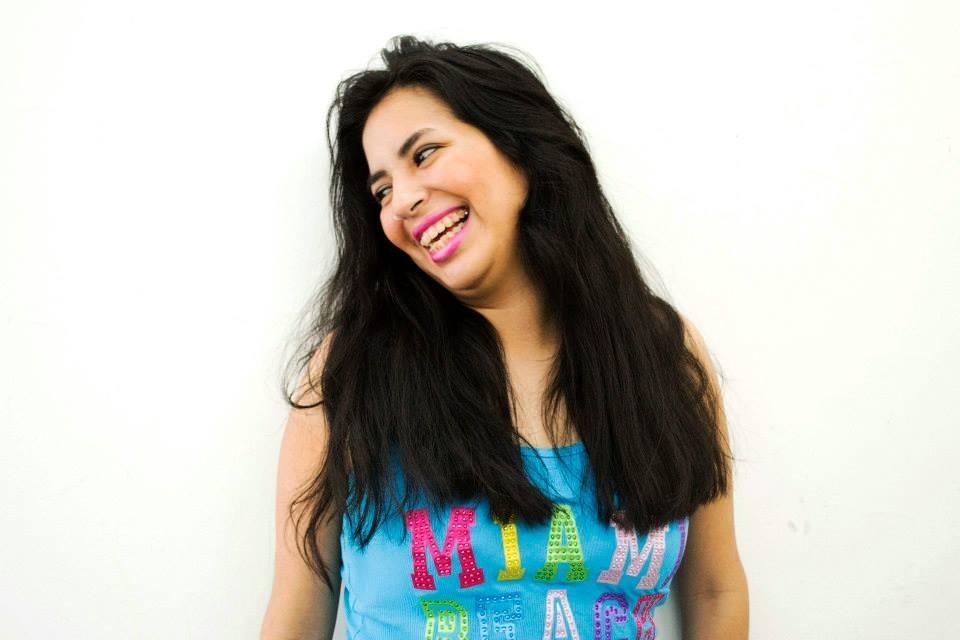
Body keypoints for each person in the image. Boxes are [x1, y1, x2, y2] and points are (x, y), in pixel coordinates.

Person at [261, 35, 749, 640]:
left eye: (425, 154)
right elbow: (298, 608)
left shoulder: (661, 355)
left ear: (517, 148)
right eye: (381, 190)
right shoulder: (348, 373)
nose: (402, 201)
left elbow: (714, 590)